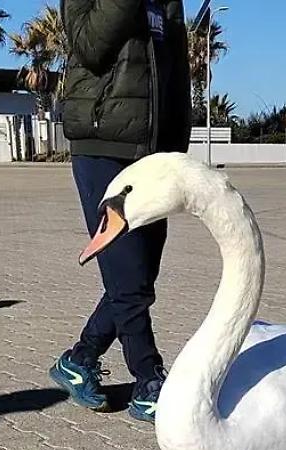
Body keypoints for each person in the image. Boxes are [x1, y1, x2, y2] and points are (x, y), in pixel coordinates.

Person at [49, 0, 192, 423]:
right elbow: (90, 45)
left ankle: (80, 359)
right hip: (103, 146)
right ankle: (148, 381)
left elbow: (176, 74)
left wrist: (176, 152)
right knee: (128, 279)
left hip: (153, 153)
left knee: (141, 277)